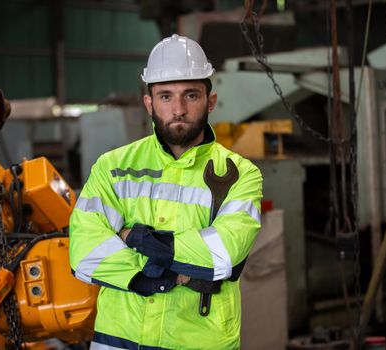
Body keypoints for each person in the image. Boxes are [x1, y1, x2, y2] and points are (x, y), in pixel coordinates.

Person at [69, 34, 263, 350]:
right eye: (165, 96)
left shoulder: (241, 175)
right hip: (118, 341)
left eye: (190, 95)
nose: (178, 109)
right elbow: (85, 251)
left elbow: (223, 255)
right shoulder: (113, 167)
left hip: (199, 342)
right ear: (149, 103)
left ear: (210, 101)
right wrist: (168, 275)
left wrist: (133, 238)